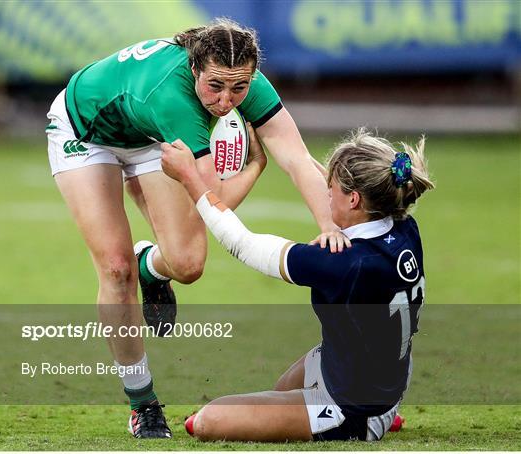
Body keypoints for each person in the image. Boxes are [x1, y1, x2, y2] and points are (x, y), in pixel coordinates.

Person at [45, 18, 342, 438]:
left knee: (187, 263)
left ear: (252, 76)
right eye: (215, 86)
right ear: (194, 68)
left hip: (149, 135)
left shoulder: (248, 84)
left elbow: (297, 158)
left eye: (238, 88)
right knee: (115, 268)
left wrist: (329, 225)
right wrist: (256, 166)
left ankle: (150, 266)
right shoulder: (175, 99)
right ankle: (142, 403)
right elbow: (213, 204)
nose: (225, 102)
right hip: (86, 130)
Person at [161, 128, 435, 442]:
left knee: (208, 421)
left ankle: (374, 421)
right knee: (279, 392)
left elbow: (244, 245)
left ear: (355, 199)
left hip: (349, 410)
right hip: (374, 372)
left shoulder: (342, 262)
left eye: (330, 188)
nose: (325, 193)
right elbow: (346, 200)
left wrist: (190, 178)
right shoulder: (403, 227)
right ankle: (384, 412)